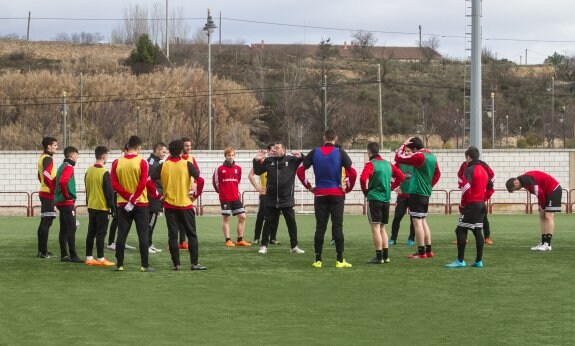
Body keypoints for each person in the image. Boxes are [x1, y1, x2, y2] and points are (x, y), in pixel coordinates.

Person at [297, 129, 357, 268]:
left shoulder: (314, 152)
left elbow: (300, 171)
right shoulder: (340, 153)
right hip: (337, 194)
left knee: (320, 227)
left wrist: (309, 187)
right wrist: (347, 188)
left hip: (320, 194)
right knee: (337, 226)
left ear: (324, 138)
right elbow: (353, 173)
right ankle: (340, 260)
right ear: (335, 138)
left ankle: (318, 260)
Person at [152, 139, 207, 271]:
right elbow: (201, 179)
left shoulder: (163, 165)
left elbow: (149, 181)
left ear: (170, 151)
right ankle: (194, 263)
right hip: (185, 205)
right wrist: (196, 194)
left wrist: (158, 196)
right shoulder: (187, 164)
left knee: (172, 235)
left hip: (170, 206)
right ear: (181, 150)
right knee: (191, 234)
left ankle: (176, 264)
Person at [111, 135, 159, 272]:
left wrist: (127, 197)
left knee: (121, 234)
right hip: (140, 204)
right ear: (139, 147)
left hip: (123, 204)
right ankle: (144, 265)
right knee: (142, 235)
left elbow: (114, 184)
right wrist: (134, 198)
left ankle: (119, 264)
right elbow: (143, 182)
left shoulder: (117, 162)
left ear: (127, 146)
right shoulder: (142, 162)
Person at [253, 142, 305, 255]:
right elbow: (257, 171)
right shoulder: (268, 161)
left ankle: (294, 246)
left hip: (287, 199)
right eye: (274, 148)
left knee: (291, 223)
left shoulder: (291, 160)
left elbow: (306, 162)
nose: (274, 150)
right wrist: (256, 160)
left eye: (277, 148)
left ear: (283, 150)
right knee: (268, 223)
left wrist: (301, 155)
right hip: (271, 199)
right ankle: (263, 246)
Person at [395, 137, 441, 259]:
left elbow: (398, 158)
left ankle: (421, 253)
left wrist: (403, 145)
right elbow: (437, 173)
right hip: (425, 192)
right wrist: (429, 185)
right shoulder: (431, 156)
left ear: (415, 148)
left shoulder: (420, 156)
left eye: (411, 149)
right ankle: (428, 250)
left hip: (416, 191)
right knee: (423, 220)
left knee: (417, 222)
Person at [445, 146, 491, 268]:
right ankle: (478, 261)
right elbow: (491, 187)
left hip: (472, 205)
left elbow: (466, 188)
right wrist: (483, 198)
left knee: (460, 230)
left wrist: (464, 204)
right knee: (477, 231)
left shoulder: (469, 169)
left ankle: (460, 261)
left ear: (468, 157)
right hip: (481, 205)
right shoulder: (484, 169)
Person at [360, 142, 405, 264]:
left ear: (369, 152)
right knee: (382, 228)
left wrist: (366, 192)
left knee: (375, 228)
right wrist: (391, 187)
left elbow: (363, 178)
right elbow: (401, 176)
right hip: (386, 199)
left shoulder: (371, 164)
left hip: (374, 199)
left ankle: (379, 257)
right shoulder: (387, 164)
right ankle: (386, 256)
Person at [506, 170, 562, 251]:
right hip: (546, 192)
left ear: (515, 183)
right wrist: (541, 205)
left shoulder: (527, 180)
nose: (517, 190)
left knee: (548, 216)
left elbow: (539, 192)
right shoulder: (524, 181)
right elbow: (539, 193)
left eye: (516, 189)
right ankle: (543, 242)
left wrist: (542, 205)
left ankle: (548, 244)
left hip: (553, 190)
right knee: (542, 216)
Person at [213, 147, 251, 247]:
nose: (231, 157)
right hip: (225, 198)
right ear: (225, 156)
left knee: (242, 217)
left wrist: (235, 191)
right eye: (229, 155)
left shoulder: (238, 169)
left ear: (235, 156)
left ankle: (240, 240)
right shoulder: (219, 169)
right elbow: (215, 183)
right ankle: (228, 240)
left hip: (235, 197)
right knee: (226, 218)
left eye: (232, 155)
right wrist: (222, 192)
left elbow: (237, 181)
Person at [84, 146, 115, 267]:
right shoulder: (104, 172)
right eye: (107, 155)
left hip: (91, 206)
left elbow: (87, 189)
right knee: (101, 233)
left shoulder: (89, 171)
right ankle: (101, 258)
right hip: (102, 207)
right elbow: (109, 192)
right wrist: (112, 207)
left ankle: (89, 257)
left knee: (91, 232)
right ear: (103, 156)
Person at [455, 159, 495, 244]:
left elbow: (492, 176)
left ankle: (487, 237)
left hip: (479, 196)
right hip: (467, 196)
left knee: (484, 217)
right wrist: (462, 186)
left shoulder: (482, 165)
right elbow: (459, 175)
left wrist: (485, 192)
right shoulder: (464, 165)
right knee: (463, 215)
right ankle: (463, 238)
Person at [55, 146, 82, 263]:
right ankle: (73, 255)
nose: (77, 157)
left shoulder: (61, 166)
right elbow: (62, 181)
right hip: (66, 202)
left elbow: (54, 181)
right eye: (76, 155)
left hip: (60, 201)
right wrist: (67, 195)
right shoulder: (69, 167)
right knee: (72, 228)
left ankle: (64, 255)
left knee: (64, 228)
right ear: (71, 155)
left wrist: (57, 194)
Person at [248, 143, 279, 245]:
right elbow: (250, 175)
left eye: (276, 149)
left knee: (276, 216)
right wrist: (257, 187)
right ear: (269, 151)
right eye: (272, 149)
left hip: (276, 193)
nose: (274, 151)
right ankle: (257, 237)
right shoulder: (263, 161)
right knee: (261, 215)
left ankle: (273, 238)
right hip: (265, 193)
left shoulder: (279, 161)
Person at [107, 145, 136, 252]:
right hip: (118, 195)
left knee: (125, 220)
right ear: (125, 151)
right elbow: (113, 179)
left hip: (130, 196)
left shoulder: (134, 161)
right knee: (116, 219)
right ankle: (111, 242)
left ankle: (122, 241)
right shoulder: (117, 162)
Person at [36, 136, 58, 258]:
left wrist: (45, 185)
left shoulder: (41, 158)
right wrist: (52, 188)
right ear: (48, 146)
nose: (56, 147)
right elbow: (45, 174)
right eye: (55, 145)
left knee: (45, 222)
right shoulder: (48, 159)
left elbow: (39, 176)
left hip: (44, 192)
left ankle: (42, 250)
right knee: (47, 222)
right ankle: (43, 251)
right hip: (48, 193)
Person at [389, 146, 416, 246]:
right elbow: (392, 174)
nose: (407, 153)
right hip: (402, 195)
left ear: (413, 152)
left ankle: (411, 238)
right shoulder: (400, 163)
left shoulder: (416, 163)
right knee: (397, 217)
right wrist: (394, 187)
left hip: (413, 195)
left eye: (409, 151)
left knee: (413, 219)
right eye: (405, 151)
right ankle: (393, 238)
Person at [178, 137, 201, 250]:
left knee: (185, 217)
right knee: (175, 218)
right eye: (186, 145)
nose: (189, 148)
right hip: (177, 192)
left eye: (190, 146)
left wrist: (195, 184)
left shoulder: (191, 158)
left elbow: (197, 173)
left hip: (188, 193)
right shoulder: (174, 158)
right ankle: (175, 241)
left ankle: (183, 241)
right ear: (181, 146)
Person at [147, 142, 167, 254]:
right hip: (153, 197)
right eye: (164, 151)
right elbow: (149, 181)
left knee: (152, 221)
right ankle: (147, 245)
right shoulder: (152, 163)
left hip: (156, 195)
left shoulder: (156, 162)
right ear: (157, 150)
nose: (165, 154)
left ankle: (149, 243)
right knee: (150, 221)